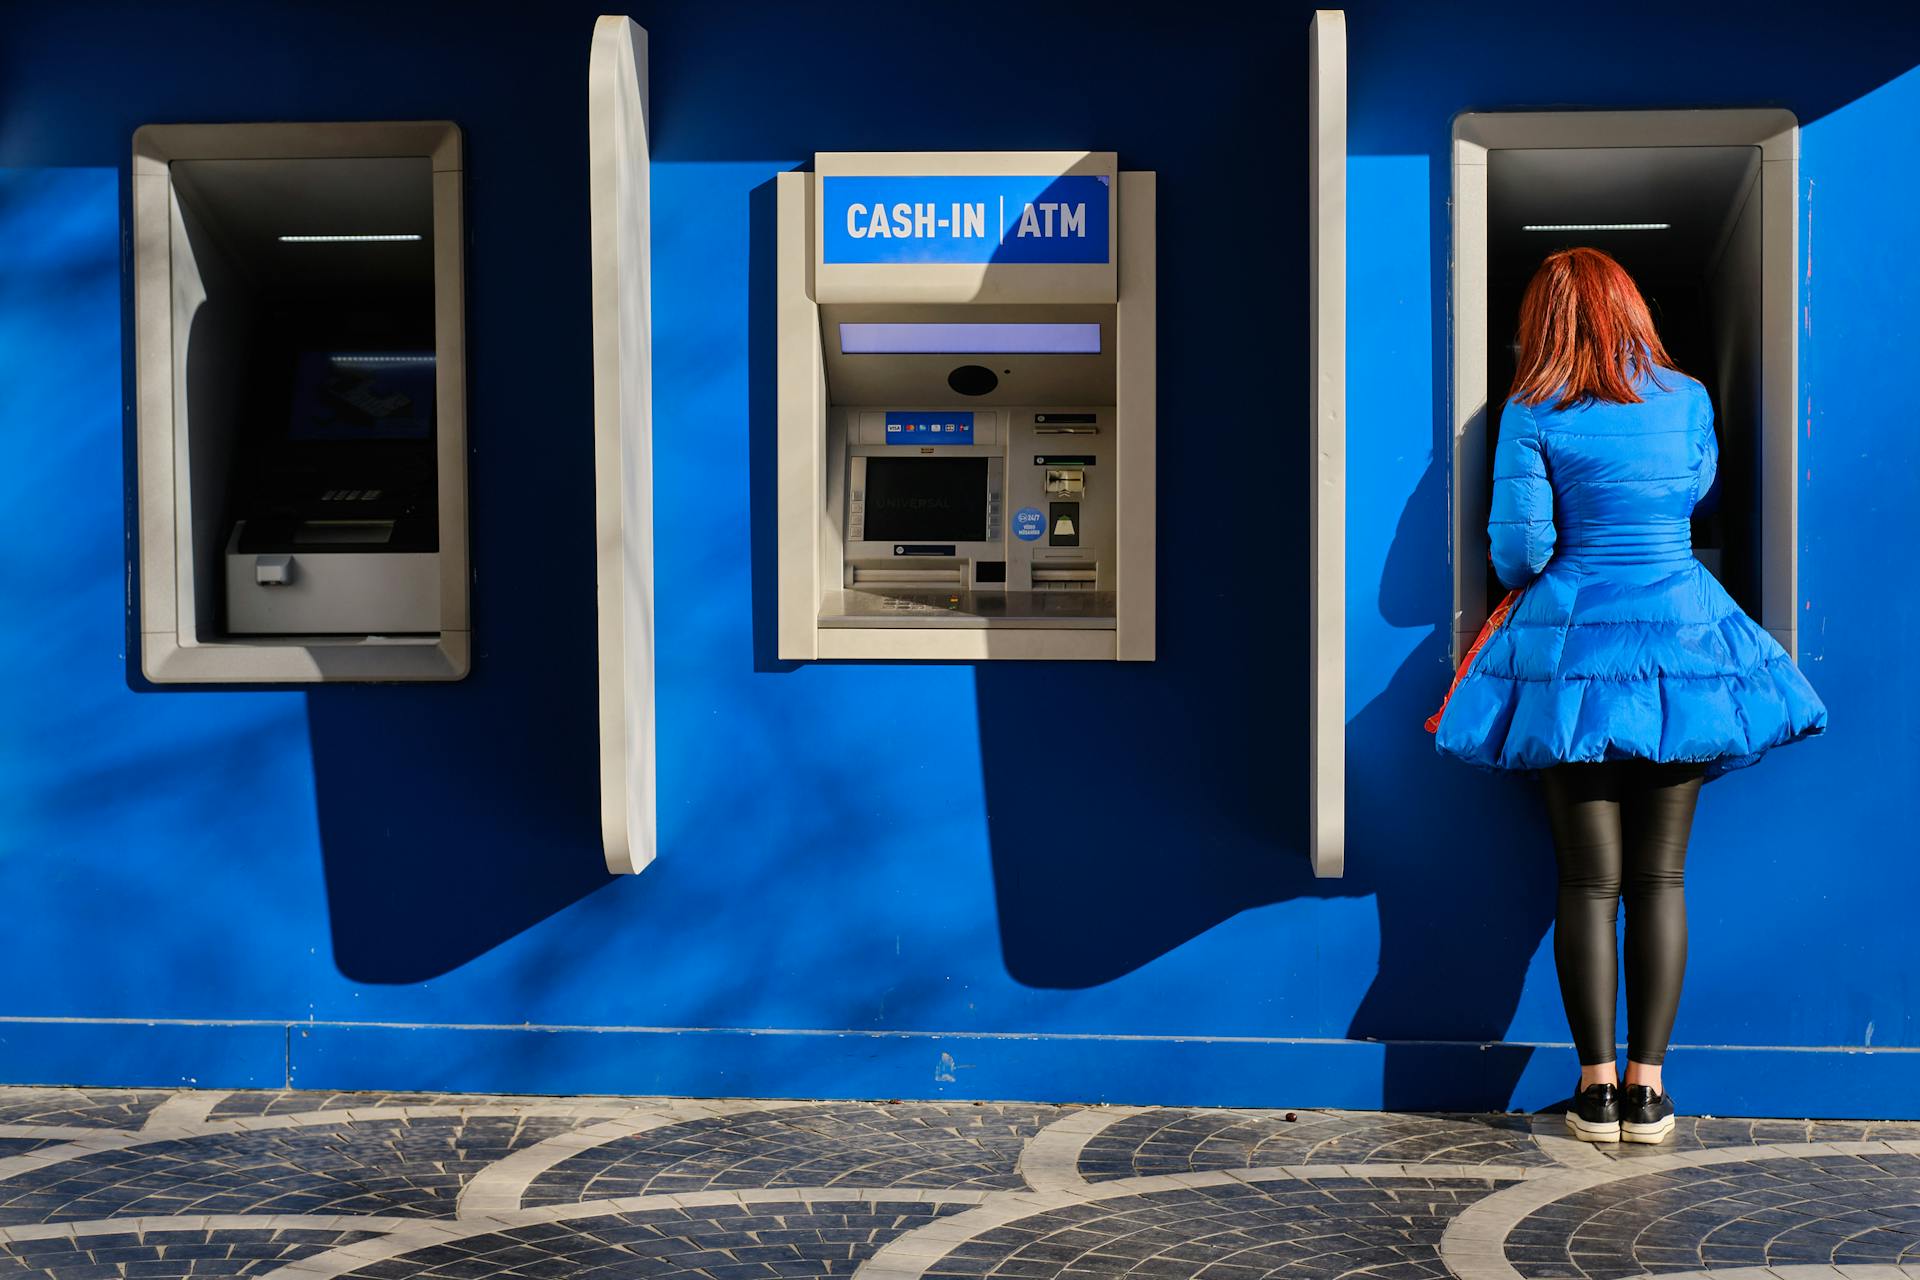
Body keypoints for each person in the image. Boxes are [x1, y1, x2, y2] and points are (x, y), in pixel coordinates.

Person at [1432, 247, 1826, 1144]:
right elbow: (1696, 492)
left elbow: (1520, 553)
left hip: (1573, 653)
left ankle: (1595, 1090)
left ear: (1544, 321)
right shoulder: (1686, 398)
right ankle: (1651, 1092)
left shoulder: (1532, 410)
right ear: (1633, 310)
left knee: (1587, 880)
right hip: (1685, 640)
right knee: (1662, 876)